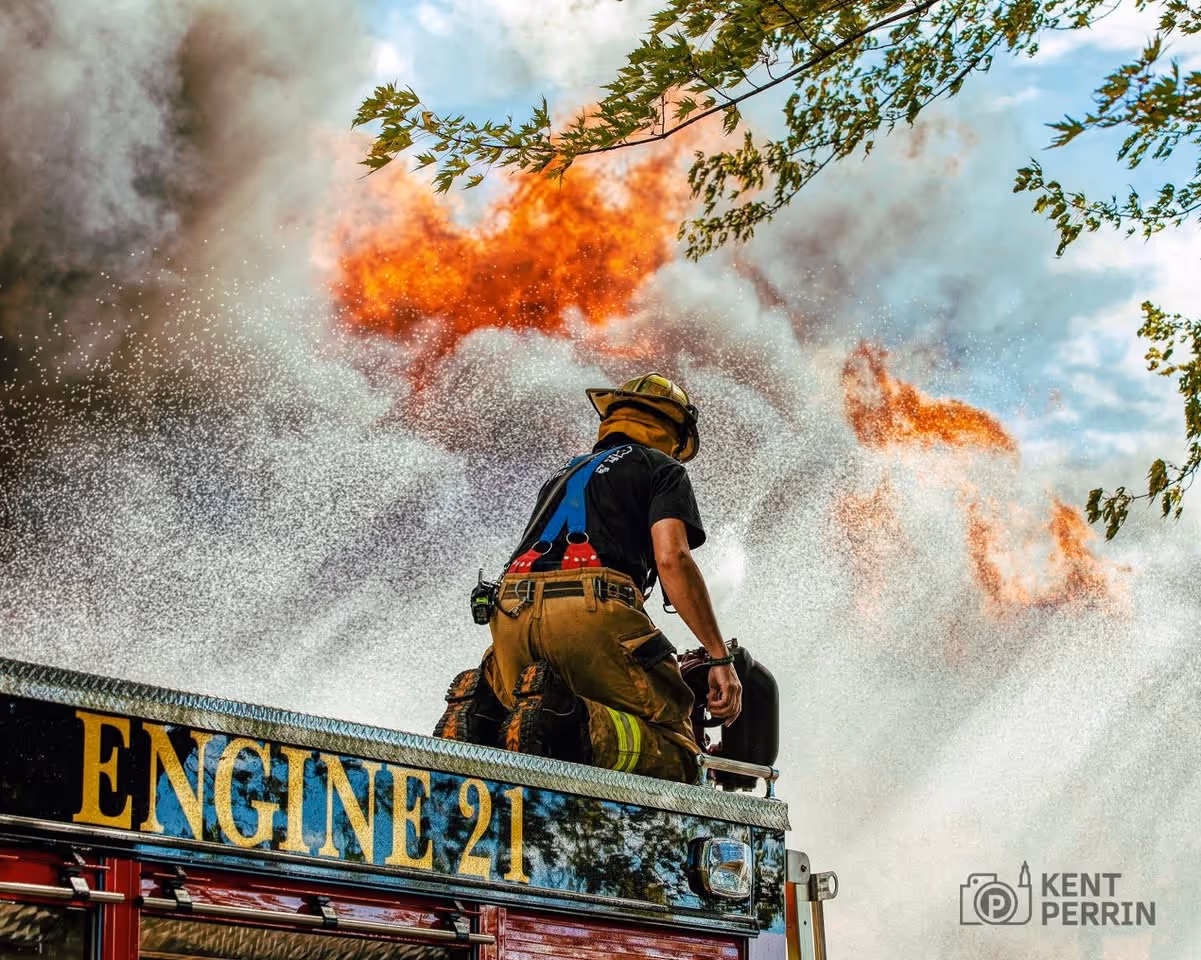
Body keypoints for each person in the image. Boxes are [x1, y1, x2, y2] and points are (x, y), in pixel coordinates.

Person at [434, 373, 742, 783]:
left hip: (509, 615)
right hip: (591, 613)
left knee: (520, 714)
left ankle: (483, 713)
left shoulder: (562, 475)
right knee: (681, 754)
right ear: (673, 431)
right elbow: (673, 560)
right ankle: (561, 719)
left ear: (615, 417)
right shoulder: (662, 469)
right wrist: (719, 656)